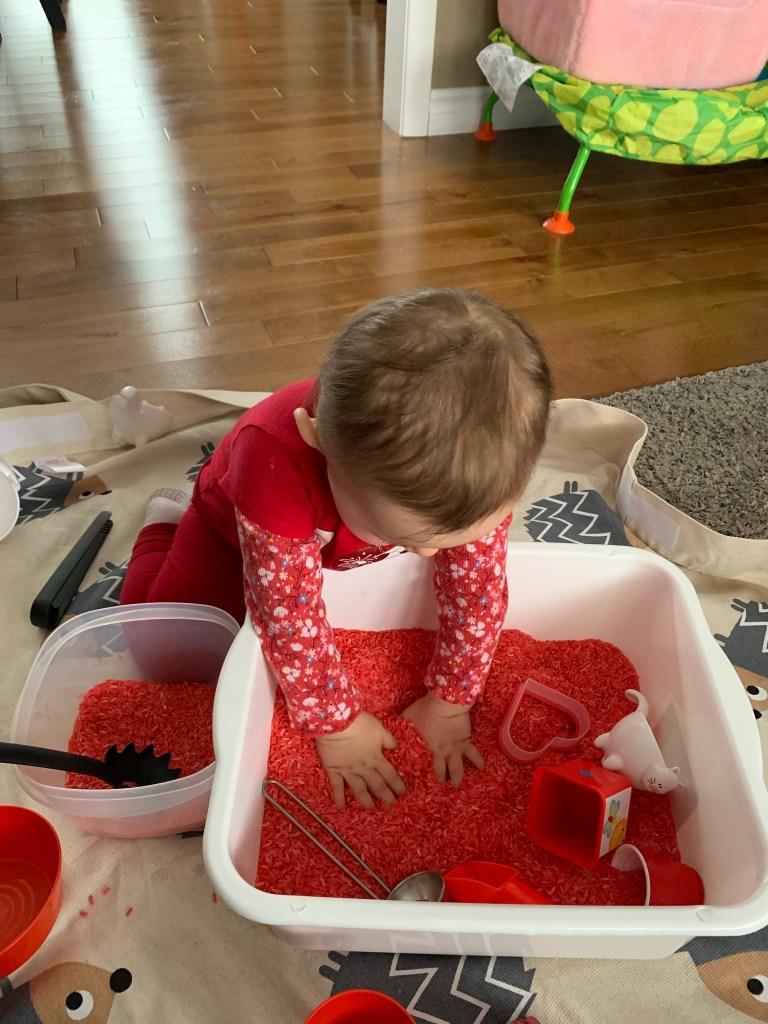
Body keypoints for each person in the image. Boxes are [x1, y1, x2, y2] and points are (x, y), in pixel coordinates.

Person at [121, 288, 553, 809]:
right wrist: (338, 726)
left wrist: (450, 701)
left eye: (445, 541)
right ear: (317, 439)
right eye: (400, 537)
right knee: (161, 653)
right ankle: (161, 526)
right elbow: (286, 615)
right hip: (230, 531)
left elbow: (478, 592)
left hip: (318, 544)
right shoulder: (270, 459)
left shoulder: (477, 476)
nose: (425, 557)